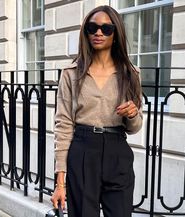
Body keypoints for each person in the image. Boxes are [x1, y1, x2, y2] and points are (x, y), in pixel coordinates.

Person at [51, 5, 143, 217]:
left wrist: (132, 114)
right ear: (86, 32)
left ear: (116, 33)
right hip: (83, 151)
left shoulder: (131, 74)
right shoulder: (71, 75)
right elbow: (63, 126)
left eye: (106, 28)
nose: (98, 33)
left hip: (117, 151)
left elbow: (135, 127)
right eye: (92, 28)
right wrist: (60, 183)